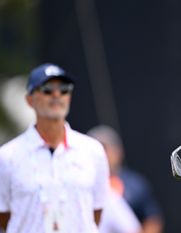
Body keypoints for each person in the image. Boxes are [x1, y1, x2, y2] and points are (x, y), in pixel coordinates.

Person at [0, 63, 110, 233]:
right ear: (30, 99)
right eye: (47, 89)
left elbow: (96, 212)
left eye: (64, 89)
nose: (57, 95)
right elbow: (4, 215)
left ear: (70, 97)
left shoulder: (92, 151)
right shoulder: (7, 156)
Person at [87, 125, 164, 233]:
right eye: (96, 149)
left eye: (105, 148)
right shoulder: (81, 182)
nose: (101, 155)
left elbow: (152, 219)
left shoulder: (134, 183)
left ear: (118, 152)